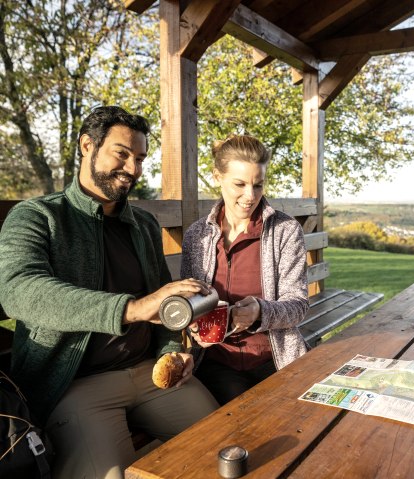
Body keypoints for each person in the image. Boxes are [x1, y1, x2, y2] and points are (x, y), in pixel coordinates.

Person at [0, 106, 218, 479]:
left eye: (139, 158)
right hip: (75, 385)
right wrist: (131, 309)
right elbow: (20, 291)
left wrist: (172, 352)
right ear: (87, 145)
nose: (132, 169)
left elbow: (162, 301)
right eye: (122, 153)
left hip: (150, 374)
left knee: (227, 444)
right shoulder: (37, 216)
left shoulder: (143, 224)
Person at [180, 134, 309, 405]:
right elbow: (188, 302)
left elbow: (298, 306)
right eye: (239, 184)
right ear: (218, 177)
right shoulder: (196, 236)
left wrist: (260, 312)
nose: (250, 196)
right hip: (217, 361)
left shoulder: (285, 231)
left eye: (258, 185)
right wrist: (194, 329)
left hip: (275, 357)